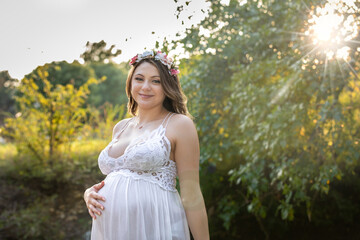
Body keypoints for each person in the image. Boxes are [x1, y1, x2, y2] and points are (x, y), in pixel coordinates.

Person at [83, 50, 209, 240]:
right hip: (111, 231)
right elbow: (119, 178)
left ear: (167, 86)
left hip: (157, 228)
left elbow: (191, 194)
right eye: (139, 79)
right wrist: (88, 193)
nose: (146, 87)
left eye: (156, 81)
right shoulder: (120, 127)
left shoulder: (180, 124)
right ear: (130, 83)